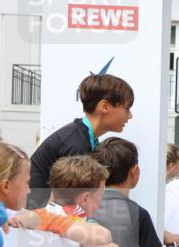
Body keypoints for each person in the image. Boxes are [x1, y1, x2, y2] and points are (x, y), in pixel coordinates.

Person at [29, 74, 133, 208]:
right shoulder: (76, 145)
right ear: (105, 107)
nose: (130, 116)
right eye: (127, 109)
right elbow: (73, 203)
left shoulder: (82, 138)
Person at [43, 156, 124, 247]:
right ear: (85, 198)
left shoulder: (44, 215)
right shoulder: (58, 219)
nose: (101, 200)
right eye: (100, 195)